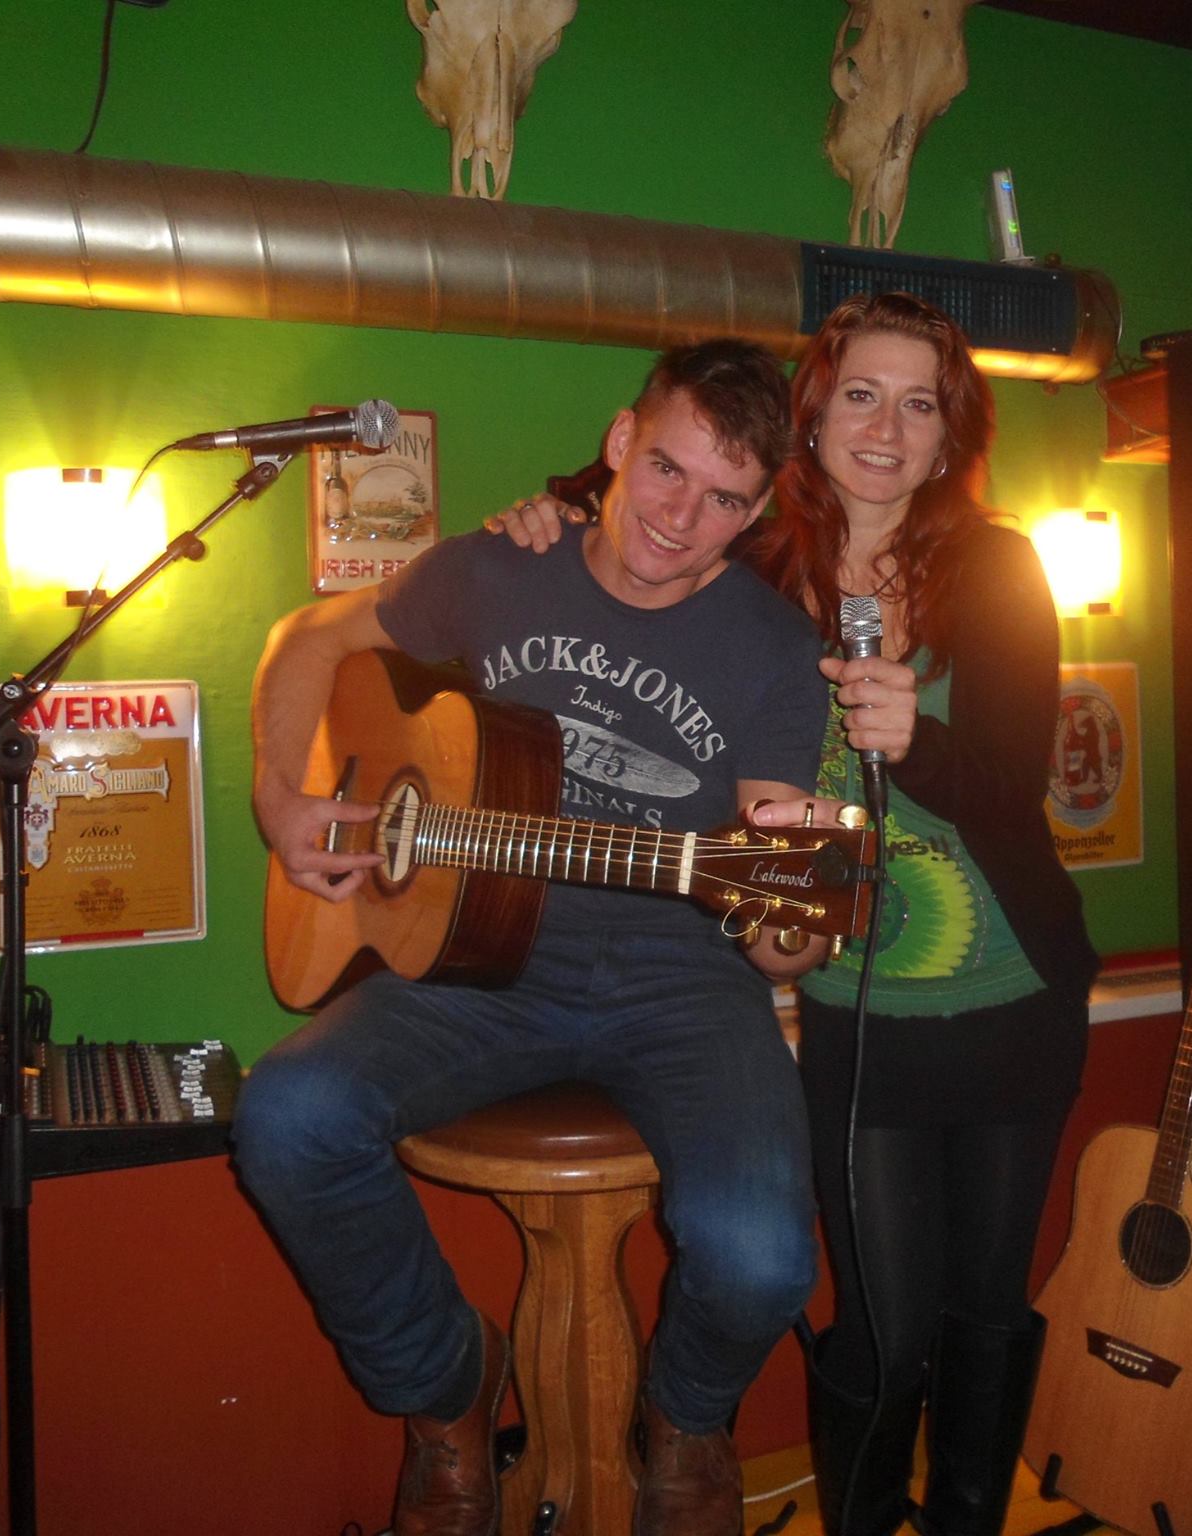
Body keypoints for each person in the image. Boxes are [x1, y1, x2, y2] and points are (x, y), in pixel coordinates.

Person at [489, 293, 1098, 1536]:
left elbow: (1014, 785)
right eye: (860, 394)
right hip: (854, 1007)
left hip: (1012, 994)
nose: (885, 427)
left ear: (948, 435)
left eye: (918, 404)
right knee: (881, 1317)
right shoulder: (747, 559)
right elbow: (627, 518)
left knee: (985, 1305)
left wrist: (916, 740)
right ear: (810, 415)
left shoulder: (997, 565)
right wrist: (540, 518)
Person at [232, 338, 833, 1536]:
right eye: (665, 470)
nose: (681, 519)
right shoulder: (497, 569)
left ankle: (685, 1419)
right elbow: (308, 639)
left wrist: (796, 926)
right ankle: (447, 1390)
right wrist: (280, 801)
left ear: (758, 509)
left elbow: (778, 941)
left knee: (762, 1255)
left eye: (725, 500)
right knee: (288, 1117)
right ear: (618, 442)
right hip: (477, 964)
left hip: (680, 984)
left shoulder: (774, 651)